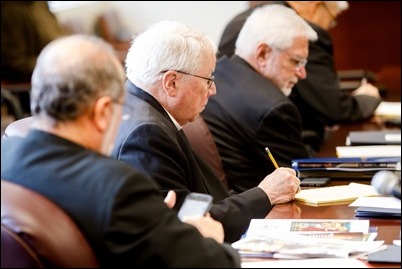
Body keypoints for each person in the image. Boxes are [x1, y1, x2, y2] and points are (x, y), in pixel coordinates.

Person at [1, 34, 241, 268]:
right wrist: (203, 237)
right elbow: (215, 262)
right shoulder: (117, 187)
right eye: (121, 109)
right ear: (103, 111)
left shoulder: (5, 154)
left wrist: (151, 221)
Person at [112, 20, 300, 243]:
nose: (213, 90)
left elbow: (202, 200)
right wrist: (265, 194)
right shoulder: (145, 135)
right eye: (208, 80)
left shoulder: (137, 106)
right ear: (171, 83)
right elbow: (190, 225)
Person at [217, 1, 381, 151]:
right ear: (316, 5)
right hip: (278, 142)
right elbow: (334, 108)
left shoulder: (241, 21)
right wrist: (368, 99)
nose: (330, 26)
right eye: (332, 19)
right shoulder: (298, 34)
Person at [202, 4, 317, 193]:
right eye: (296, 61)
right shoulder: (272, 108)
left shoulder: (217, 73)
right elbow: (303, 177)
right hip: (261, 211)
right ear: (263, 54)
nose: (302, 74)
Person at [1, 1, 66, 114]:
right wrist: (56, 64)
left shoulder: (40, 4)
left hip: (57, 59)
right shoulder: (9, 10)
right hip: (32, 71)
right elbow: (15, 63)